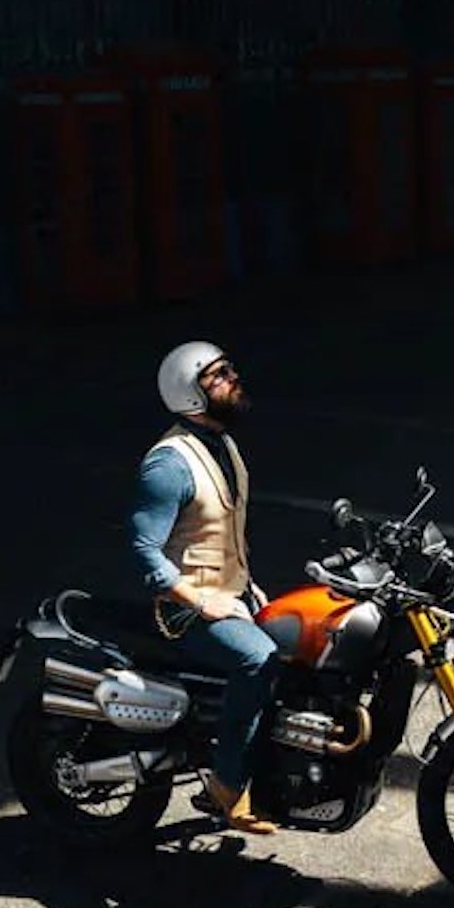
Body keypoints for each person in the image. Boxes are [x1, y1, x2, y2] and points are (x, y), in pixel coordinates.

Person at [129, 341, 280, 835]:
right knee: (257, 659)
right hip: (184, 611)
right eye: (218, 376)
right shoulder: (169, 464)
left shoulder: (223, 445)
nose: (232, 379)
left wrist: (247, 587)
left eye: (228, 370)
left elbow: (220, 534)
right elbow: (145, 551)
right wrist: (202, 602)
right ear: (190, 395)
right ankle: (227, 786)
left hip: (233, 594)